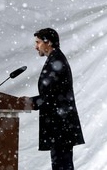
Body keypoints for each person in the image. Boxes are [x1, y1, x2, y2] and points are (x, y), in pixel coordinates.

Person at [21, 28, 85, 170]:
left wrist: (26, 103)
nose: (35, 46)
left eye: (38, 42)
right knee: (62, 165)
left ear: (47, 42)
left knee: (62, 166)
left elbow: (51, 97)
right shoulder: (54, 59)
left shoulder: (56, 61)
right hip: (60, 125)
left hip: (61, 125)